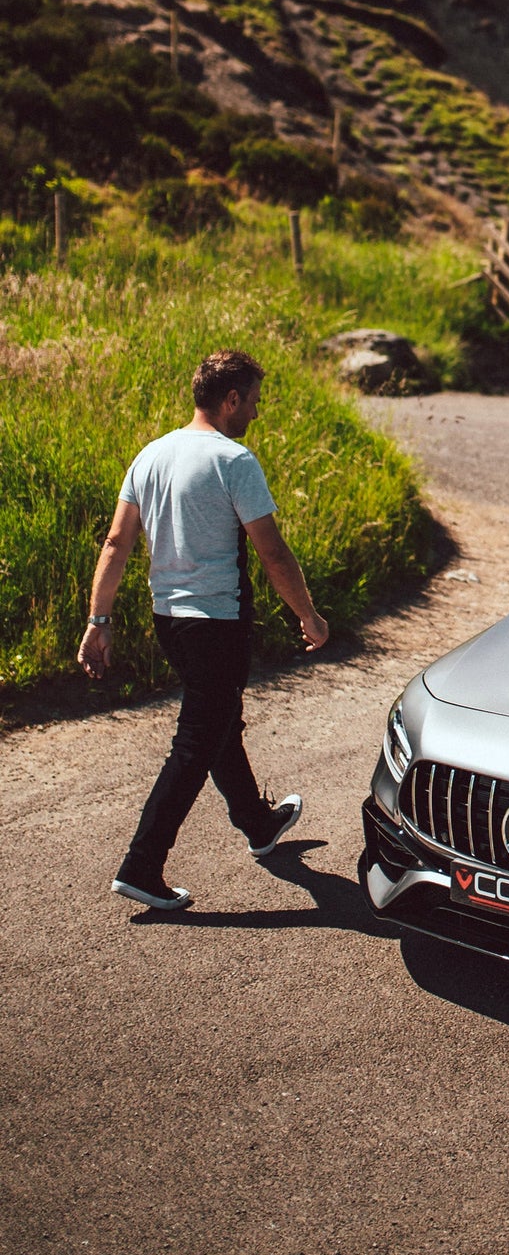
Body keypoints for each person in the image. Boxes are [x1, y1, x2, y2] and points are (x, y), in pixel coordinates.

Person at [77, 349, 329, 910]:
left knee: (217, 719)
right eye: (254, 402)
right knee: (196, 741)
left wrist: (99, 620)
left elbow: (116, 543)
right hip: (216, 623)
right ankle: (142, 866)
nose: (257, 415)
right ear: (230, 399)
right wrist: (307, 615)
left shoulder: (151, 455)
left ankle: (258, 824)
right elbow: (273, 552)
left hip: (169, 620)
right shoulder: (232, 460)